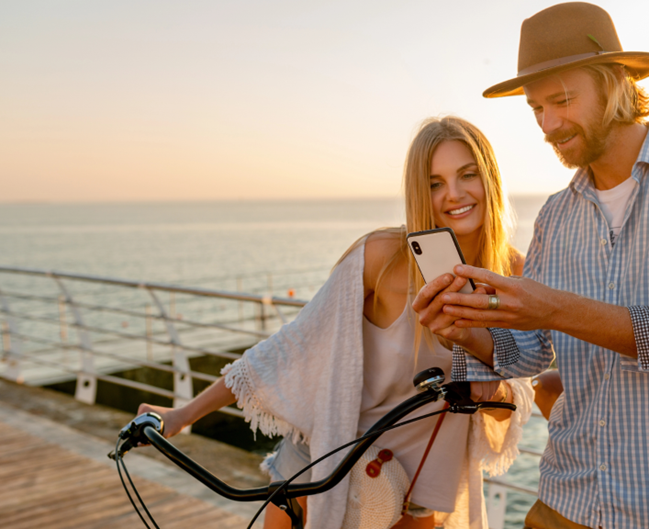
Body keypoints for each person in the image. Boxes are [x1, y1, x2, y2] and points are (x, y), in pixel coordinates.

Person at [413, 3, 649, 529]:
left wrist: (553, 308)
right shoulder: (556, 215)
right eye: (536, 108)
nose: (549, 124)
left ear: (616, 83)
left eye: (562, 100)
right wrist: (465, 333)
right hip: (566, 504)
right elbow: (531, 353)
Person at [137, 116, 534, 529]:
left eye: (467, 175)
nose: (453, 195)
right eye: (435, 183)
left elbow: (510, 402)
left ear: (489, 177)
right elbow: (294, 344)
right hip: (325, 464)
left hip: (419, 483)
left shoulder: (515, 274)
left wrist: (496, 384)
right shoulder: (381, 257)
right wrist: (184, 414)